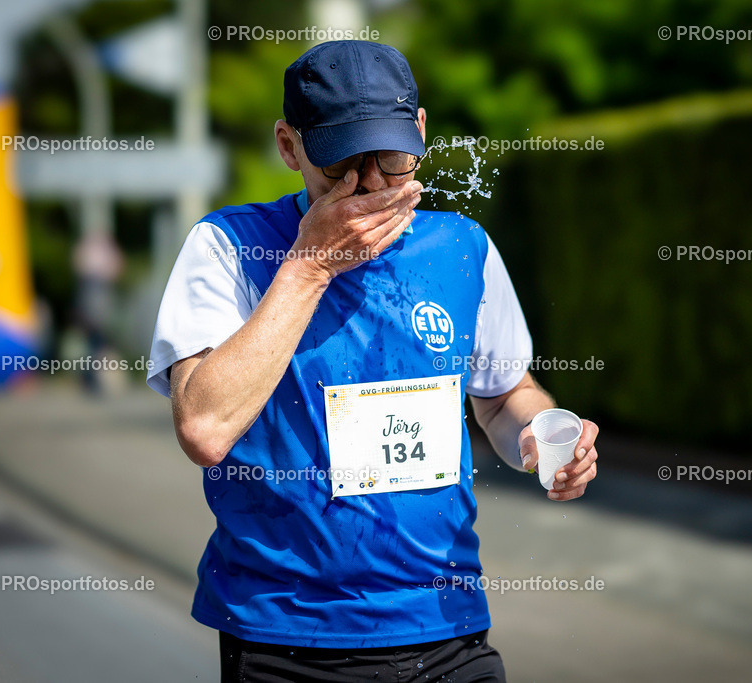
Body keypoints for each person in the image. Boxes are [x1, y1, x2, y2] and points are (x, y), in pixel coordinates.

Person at [147, 40, 599, 682]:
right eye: (339, 163)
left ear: (419, 131)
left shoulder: (461, 245)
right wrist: (310, 266)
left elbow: (502, 395)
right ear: (288, 146)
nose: (368, 185)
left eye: (390, 158)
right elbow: (204, 428)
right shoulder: (229, 248)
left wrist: (544, 436)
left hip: (449, 625)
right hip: (289, 637)